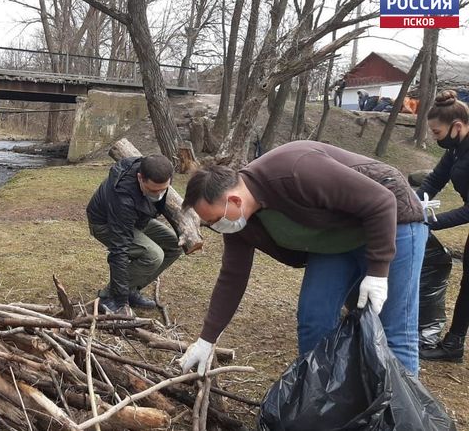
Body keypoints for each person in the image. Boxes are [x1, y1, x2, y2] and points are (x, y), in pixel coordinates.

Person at [178, 141, 427, 377]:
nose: (214, 227)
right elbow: (232, 278)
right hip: (337, 238)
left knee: (394, 331)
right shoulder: (240, 223)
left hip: (393, 221)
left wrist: (378, 271)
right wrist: (206, 340)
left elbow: (382, 201)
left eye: (213, 220)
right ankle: (319, 400)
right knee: (314, 320)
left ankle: (400, 415)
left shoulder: (295, 170)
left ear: (233, 200)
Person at [86, 155, 182, 314]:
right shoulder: (122, 197)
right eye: (152, 190)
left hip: (137, 220)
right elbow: (119, 249)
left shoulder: (152, 170)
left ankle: (131, 288)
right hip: (106, 224)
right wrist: (120, 299)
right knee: (153, 255)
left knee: (175, 245)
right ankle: (110, 296)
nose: (158, 194)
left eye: (163, 189)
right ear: (140, 178)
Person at [418, 90, 469, 363]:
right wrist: (409, 206)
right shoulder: (455, 149)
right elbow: (433, 182)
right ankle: (453, 345)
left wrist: (432, 222)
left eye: (437, 133)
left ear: (457, 127)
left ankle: (453, 345)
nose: (435, 137)